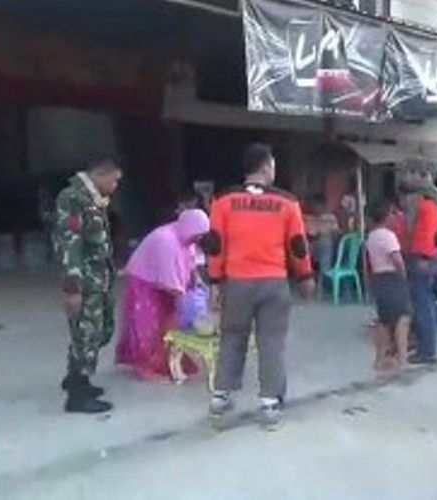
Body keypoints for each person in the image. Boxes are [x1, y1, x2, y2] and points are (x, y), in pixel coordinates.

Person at [208, 143, 316, 427]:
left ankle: (221, 395)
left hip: (237, 282)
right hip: (273, 283)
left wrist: (215, 282)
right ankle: (270, 405)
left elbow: (215, 245)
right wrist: (305, 277)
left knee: (232, 337)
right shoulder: (287, 203)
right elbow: (298, 246)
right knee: (271, 341)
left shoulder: (223, 201)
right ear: (267, 166)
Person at [53, 155, 122, 414]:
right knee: (86, 334)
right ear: (100, 175)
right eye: (114, 180)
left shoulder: (94, 201)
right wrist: (73, 287)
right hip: (84, 282)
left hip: (98, 280)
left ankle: (75, 377)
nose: (115, 186)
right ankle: (77, 395)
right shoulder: (73, 199)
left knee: (97, 331)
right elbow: (70, 245)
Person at [115, 209, 211, 379]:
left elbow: (189, 263)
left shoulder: (186, 237)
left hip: (164, 283)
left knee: (166, 321)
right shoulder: (167, 240)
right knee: (147, 323)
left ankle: (164, 359)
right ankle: (145, 365)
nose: (199, 238)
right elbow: (170, 276)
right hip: (145, 280)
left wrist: (193, 283)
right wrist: (184, 297)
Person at [402, 158, 437, 365]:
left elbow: (429, 234)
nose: (407, 177)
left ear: (424, 177)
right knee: (425, 303)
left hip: (422, 258)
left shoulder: (428, 204)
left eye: (412, 172)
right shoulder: (432, 200)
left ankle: (427, 351)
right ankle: (424, 344)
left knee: (423, 305)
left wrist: (423, 257)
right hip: (427, 257)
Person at [366, 202, 412, 372]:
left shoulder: (371, 236)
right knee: (402, 318)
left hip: (378, 277)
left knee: (385, 320)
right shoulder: (388, 236)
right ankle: (402, 357)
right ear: (387, 217)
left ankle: (380, 358)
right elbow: (396, 259)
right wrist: (404, 275)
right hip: (391, 276)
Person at [304, 194, 340, 278]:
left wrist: (325, 234)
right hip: (311, 246)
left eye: (316, 205)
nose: (314, 208)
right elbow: (303, 234)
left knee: (325, 241)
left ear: (322, 206)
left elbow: (336, 234)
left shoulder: (330, 218)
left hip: (327, 247)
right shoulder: (306, 218)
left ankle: (324, 274)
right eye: (312, 205)